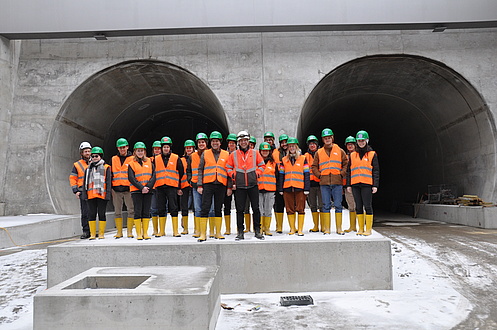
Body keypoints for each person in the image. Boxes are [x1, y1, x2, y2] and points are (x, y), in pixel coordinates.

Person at [226, 131, 265, 240]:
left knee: (256, 209)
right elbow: (228, 167)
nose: (243, 142)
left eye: (245, 140)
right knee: (240, 209)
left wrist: (257, 174)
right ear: (238, 142)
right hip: (240, 186)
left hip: (253, 185)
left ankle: (257, 230)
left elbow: (262, 165)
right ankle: (240, 232)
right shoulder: (233, 154)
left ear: (248, 141)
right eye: (241, 141)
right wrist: (233, 175)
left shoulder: (255, 153)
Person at [311, 128, 348, 235]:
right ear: (323, 140)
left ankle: (339, 228)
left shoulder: (340, 151)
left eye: (329, 138)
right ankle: (327, 228)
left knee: (338, 205)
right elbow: (314, 166)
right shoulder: (319, 152)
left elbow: (346, 163)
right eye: (325, 138)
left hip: (337, 182)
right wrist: (319, 175)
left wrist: (342, 174)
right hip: (324, 183)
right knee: (325, 205)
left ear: (332, 138)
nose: (327, 140)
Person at [197, 131, 231, 241]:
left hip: (221, 184)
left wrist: (229, 187)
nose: (215, 143)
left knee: (218, 208)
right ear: (210, 142)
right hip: (208, 184)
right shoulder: (205, 153)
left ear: (220, 142)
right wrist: (199, 184)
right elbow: (200, 169)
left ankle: (218, 233)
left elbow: (229, 171)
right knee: (205, 207)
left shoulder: (226, 154)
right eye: (213, 141)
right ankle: (203, 234)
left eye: (217, 141)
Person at [346, 130, 379, 236]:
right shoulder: (352, 155)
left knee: (367, 205)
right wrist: (348, 184)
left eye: (363, 141)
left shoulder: (372, 154)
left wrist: (375, 185)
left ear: (367, 141)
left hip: (367, 184)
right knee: (358, 206)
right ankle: (360, 228)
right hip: (355, 184)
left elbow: (376, 171)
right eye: (359, 141)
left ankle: (368, 229)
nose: (361, 143)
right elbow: (349, 171)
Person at [278, 138, 310, 236]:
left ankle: (300, 229)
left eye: (293, 146)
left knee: (301, 208)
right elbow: (281, 175)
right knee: (289, 208)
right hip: (287, 187)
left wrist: (307, 188)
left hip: (300, 187)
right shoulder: (284, 160)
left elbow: (307, 174)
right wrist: (280, 188)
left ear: (297, 147)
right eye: (290, 146)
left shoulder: (303, 158)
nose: (291, 148)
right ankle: (292, 228)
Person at [154, 136, 183, 237]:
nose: (166, 148)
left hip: (172, 186)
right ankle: (162, 231)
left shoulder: (176, 158)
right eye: (164, 147)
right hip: (160, 186)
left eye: (167, 147)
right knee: (161, 208)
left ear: (170, 148)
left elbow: (181, 172)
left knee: (173, 207)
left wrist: (179, 186)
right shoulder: (156, 159)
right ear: (161, 148)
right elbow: (153, 173)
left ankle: (175, 231)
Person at [187, 133, 214, 238]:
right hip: (195, 185)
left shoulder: (210, 154)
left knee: (211, 208)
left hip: (208, 184)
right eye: (199, 142)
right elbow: (188, 170)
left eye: (203, 142)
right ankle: (198, 230)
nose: (201, 144)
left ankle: (211, 231)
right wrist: (190, 180)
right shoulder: (192, 156)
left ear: (206, 143)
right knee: (197, 208)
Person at [82, 147, 112, 240]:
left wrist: (108, 194)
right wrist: (85, 194)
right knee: (91, 214)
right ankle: (93, 234)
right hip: (91, 195)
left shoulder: (106, 167)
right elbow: (84, 183)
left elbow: (108, 182)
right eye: (93, 156)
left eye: (96, 156)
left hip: (101, 195)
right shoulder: (88, 169)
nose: (94, 158)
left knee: (101, 214)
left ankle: (101, 233)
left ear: (100, 156)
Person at [128, 142, 156, 240]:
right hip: (136, 191)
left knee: (146, 211)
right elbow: (131, 178)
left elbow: (154, 176)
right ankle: (139, 233)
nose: (140, 152)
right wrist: (141, 188)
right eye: (138, 151)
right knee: (138, 211)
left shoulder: (150, 162)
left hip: (148, 191)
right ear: (135, 152)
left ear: (144, 151)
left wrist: (148, 187)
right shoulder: (131, 164)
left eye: (142, 151)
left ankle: (145, 233)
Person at [111, 138, 134, 239]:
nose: (122, 149)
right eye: (120, 148)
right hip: (116, 189)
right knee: (117, 211)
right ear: (118, 148)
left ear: (127, 147)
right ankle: (119, 232)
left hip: (128, 188)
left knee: (131, 210)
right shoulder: (114, 159)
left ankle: (129, 231)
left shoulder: (133, 158)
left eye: (124, 147)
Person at [69, 141, 92, 239]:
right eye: (85, 151)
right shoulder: (77, 165)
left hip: (93, 191)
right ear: (81, 153)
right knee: (85, 213)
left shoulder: (95, 161)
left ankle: (94, 230)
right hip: (83, 191)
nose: (87, 153)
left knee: (93, 212)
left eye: (88, 151)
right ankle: (86, 231)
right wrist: (76, 190)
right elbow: (73, 178)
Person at [258, 142, 278, 236]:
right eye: (263, 150)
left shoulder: (273, 163)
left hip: (270, 189)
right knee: (259, 209)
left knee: (268, 209)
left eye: (267, 150)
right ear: (260, 151)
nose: (265, 152)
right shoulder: (256, 162)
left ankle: (267, 228)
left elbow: (277, 176)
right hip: (258, 189)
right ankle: (260, 227)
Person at [304, 135, 323, 232]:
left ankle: (323, 226)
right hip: (310, 184)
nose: (312, 145)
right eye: (310, 144)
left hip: (320, 183)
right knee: (313, 205)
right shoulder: (305, 156)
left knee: (322, 205)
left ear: (317, 145)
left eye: (314, 144)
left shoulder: (321, 154)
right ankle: (316, 225)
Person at [273, 134, 288, 233]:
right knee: (278, 204)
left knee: (292, 205)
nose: (284, 144)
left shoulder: (295, 152)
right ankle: (279, 226)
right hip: (279, 180)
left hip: (291, 180)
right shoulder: (275, 153)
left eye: (285, 142)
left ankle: (294, 226)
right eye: (282, 142)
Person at [222, 133, 238, 235]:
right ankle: (228, 228)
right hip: (227, 184)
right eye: (230, 143)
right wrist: (229, 186)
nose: (231, 145)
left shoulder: (239, 154)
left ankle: (238, 227)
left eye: (233, 143)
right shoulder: (224, 154)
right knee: (226, 206)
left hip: (238, 184)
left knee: (239, 207)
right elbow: (226, 171)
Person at [179, 139, 195, 235]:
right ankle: (185, 228)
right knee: (184, 207)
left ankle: (197, 227)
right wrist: (179, 187)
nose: (189, 149)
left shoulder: (196, 158)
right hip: (184, 185)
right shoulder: (181, 160)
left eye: (190, 148)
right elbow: (178, 174)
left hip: (194, 185)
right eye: (187, 148)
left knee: (196, 207)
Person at [343, 136, 358, 233]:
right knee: (351, 206)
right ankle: (352, 226)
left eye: (351, 144)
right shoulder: (345, 158)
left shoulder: (360, 155)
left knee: (360, 206)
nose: (350, 146)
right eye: (348, 145)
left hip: (358, 183)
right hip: (347, 186)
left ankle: (361, 226)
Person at [150, 140, 162, 236]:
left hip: (162, 186)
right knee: (153, 208)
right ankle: (155, 229)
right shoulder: (149, 160)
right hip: (152, 187)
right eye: (155, 149)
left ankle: (162, 229)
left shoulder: (164, 160)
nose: (157, 150)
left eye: (158, 149)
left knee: (163, 208)